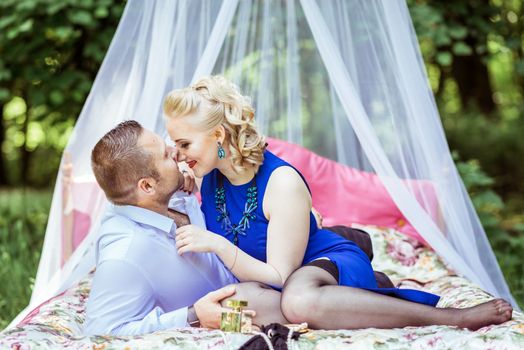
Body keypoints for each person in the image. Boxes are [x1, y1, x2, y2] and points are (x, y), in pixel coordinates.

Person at [162, 75, 513, 331]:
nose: (178, 155)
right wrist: (179, 189)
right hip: (273, 287)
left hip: (313, 266)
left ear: (218, 135)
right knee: (232, 303)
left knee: (298, 300)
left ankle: (450, 318)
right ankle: (357, 299)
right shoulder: (208, 180)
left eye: (184, 145)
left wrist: (220, 245)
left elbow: (281, 275)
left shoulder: (281, 183)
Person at [83, 120, 287, 336]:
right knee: (301, 306)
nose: (176, 153)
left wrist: (288, 212)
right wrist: (193, 316)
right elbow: (99, 334)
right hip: (239, 303)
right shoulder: (124, 253)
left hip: (265, 260)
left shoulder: (163, 194)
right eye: (165, 155)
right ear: (147, 186)